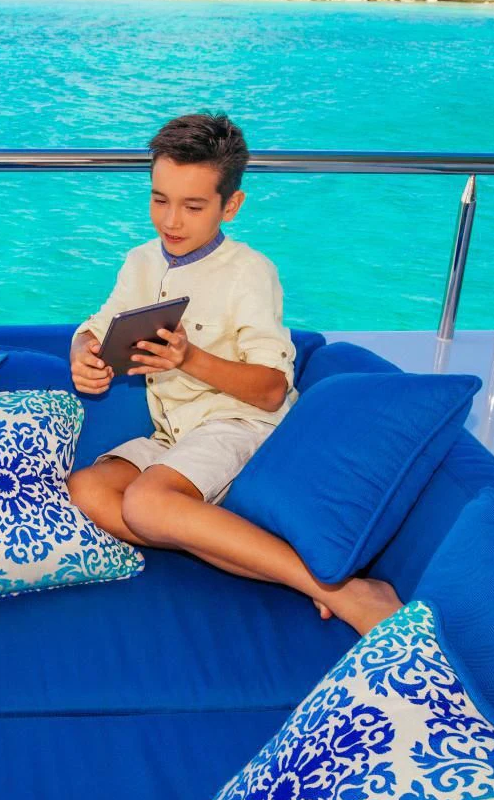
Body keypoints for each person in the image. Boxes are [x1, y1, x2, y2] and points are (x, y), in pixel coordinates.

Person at [65, 113, 400, 634]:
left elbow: (270, 391)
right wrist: (82, 353)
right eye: (160, 200)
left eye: (193, 206)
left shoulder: (250, 271)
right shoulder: (139, 262)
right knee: (87, 489)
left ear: (231, 205)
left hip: (240, 426)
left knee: (146, 504)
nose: (171, 221)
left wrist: (190, 358)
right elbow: (95, 326)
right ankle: (223, 536)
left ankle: (332, 586)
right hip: (173, 438)